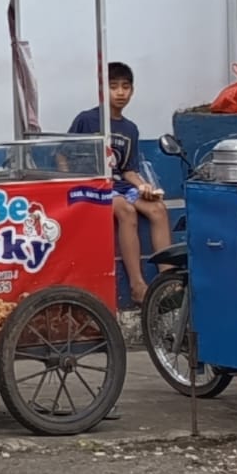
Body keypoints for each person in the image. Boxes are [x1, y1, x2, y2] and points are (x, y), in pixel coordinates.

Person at [66, 62, 168, 304]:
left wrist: (144, 186)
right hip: (93, 187)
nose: (120, 92)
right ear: (103, 90)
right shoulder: (87, 120)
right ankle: (137, 285)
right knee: (125, 209)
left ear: (132, 91)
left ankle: (168, 281)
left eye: (126, 87)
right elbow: (63, 153)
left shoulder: (130, 129)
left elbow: (129, 170)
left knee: (158, 209)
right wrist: (70, 183)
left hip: (119, 185)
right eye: (114, 87)